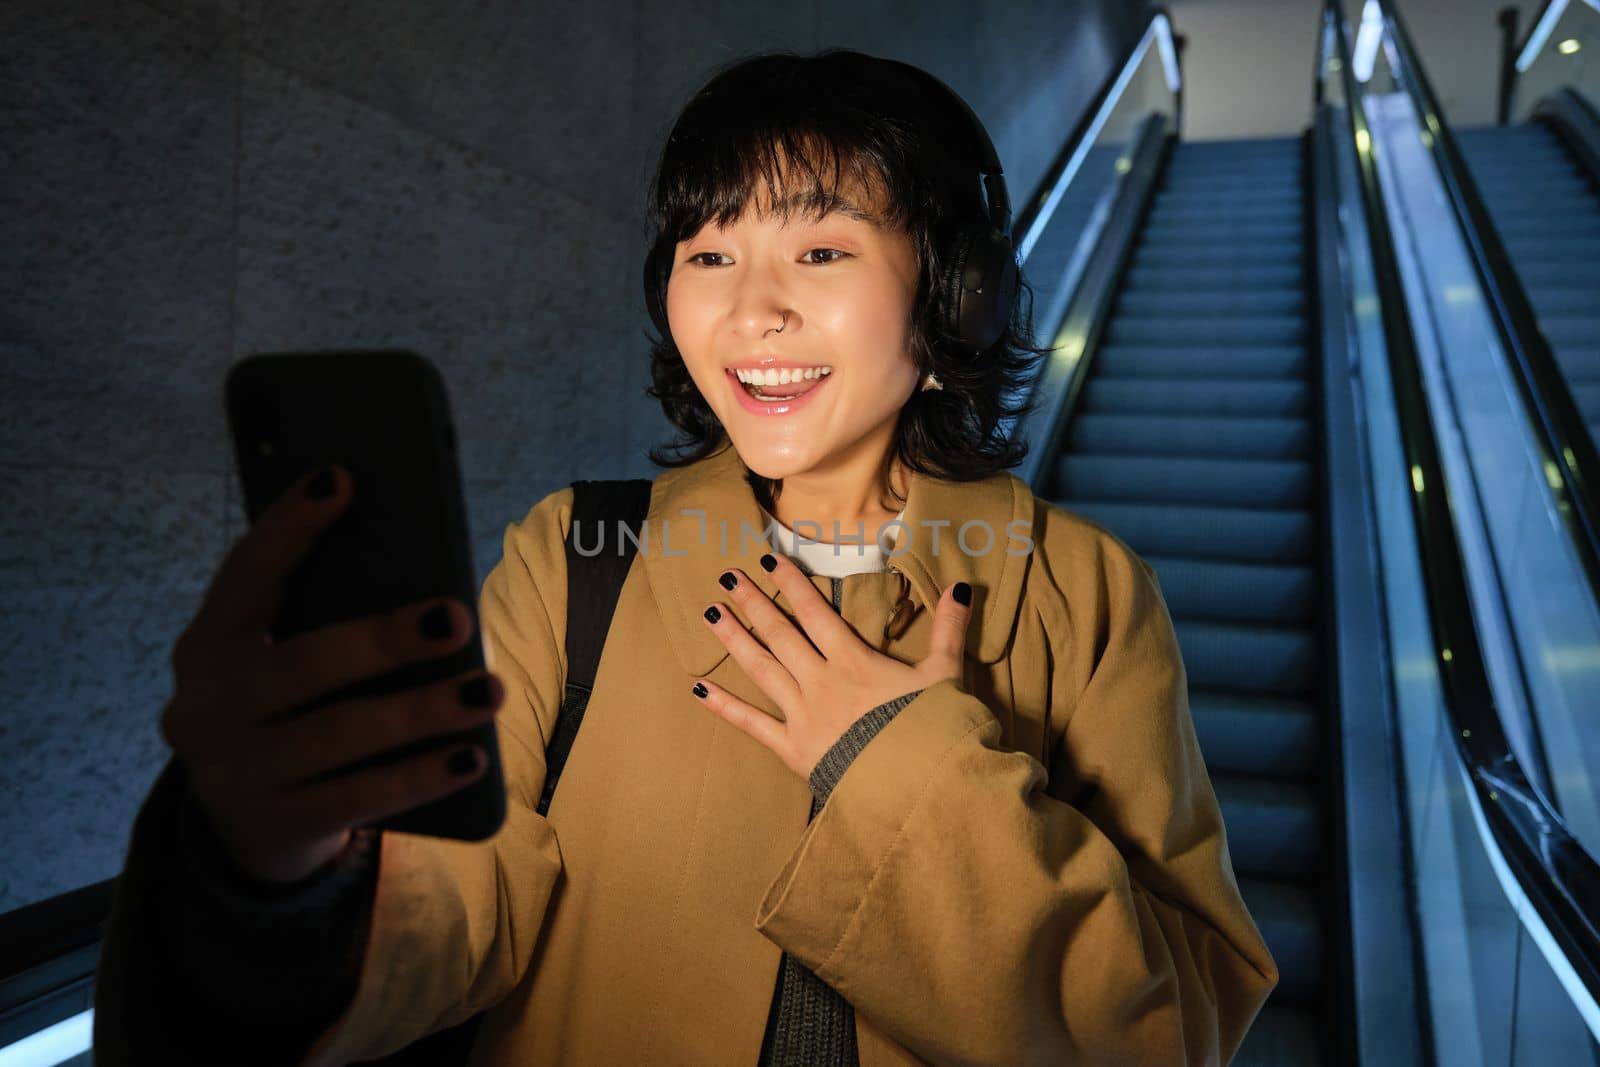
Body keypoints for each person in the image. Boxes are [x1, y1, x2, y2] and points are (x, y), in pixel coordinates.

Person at [92, 48, 1277, 1066]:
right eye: (707, 254)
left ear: (956, 294)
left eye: (820, 252)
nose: (747, 309)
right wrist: (275, 878)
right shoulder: (576, 553)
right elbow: (454, 907)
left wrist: (897, 764)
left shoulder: (1085, 589)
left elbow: (1169, 1024)